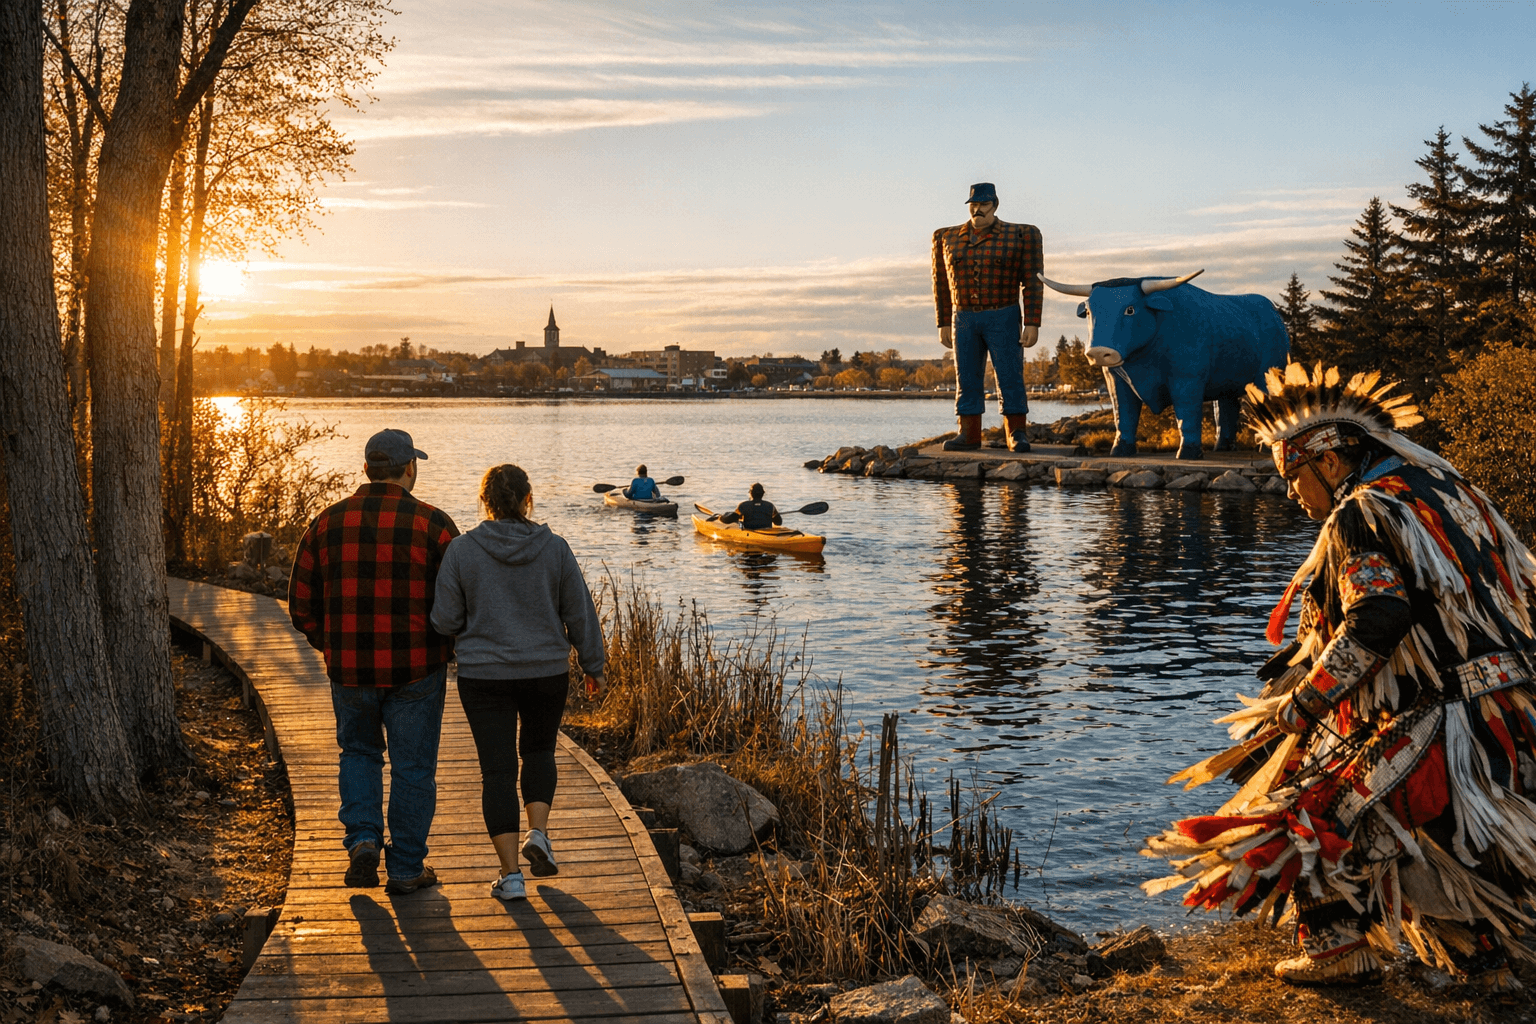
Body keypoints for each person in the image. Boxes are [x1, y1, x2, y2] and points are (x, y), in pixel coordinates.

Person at [1143, 364, 1536, 991]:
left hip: (1442, 713)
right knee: (1447, 841)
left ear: (1329, 460)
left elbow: (1377, 617)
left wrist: (1306, 701)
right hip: (1509, 710)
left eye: (1294, 476)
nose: (1292, 495)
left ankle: (1337, 952)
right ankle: (1483, 966)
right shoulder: (1451, 495)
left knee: (1312, 811)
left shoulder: (1362, 512)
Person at [289, 428, 459, 895]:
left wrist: (332, 643)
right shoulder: (435, 525)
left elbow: (300, 603)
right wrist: (445, 645)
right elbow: (458, 602)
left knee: (359, 754)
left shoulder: (326, 523)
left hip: (350, 669)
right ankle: (405, 869)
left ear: (366, 469)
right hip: (417, 669)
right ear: (409, 469)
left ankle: (363, 840)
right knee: (413, 768)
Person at [431, 464, 606, 901]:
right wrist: (593, 665)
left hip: (483, 675)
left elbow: (445, 619)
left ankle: (510, 877)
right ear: (529, 499)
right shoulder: (556, 549)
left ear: (484, 501)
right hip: (546, 671)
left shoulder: (461, 551)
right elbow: (579, 612)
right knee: (539, 751)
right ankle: (539, 834)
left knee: (497, 772)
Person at [931, 182, 1043, 453]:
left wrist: (1032, 322)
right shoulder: (946, 237)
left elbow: (1032, 281)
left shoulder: (1020, 235)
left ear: (995, 205)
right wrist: (943, 321)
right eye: (973, 205)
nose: (977, 210)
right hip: (964, 317)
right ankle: (968, 433)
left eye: (983, 205)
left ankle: (1016, 432)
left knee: (1010, 375)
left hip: (1003, 313)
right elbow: (941, 284)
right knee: (966, 376)